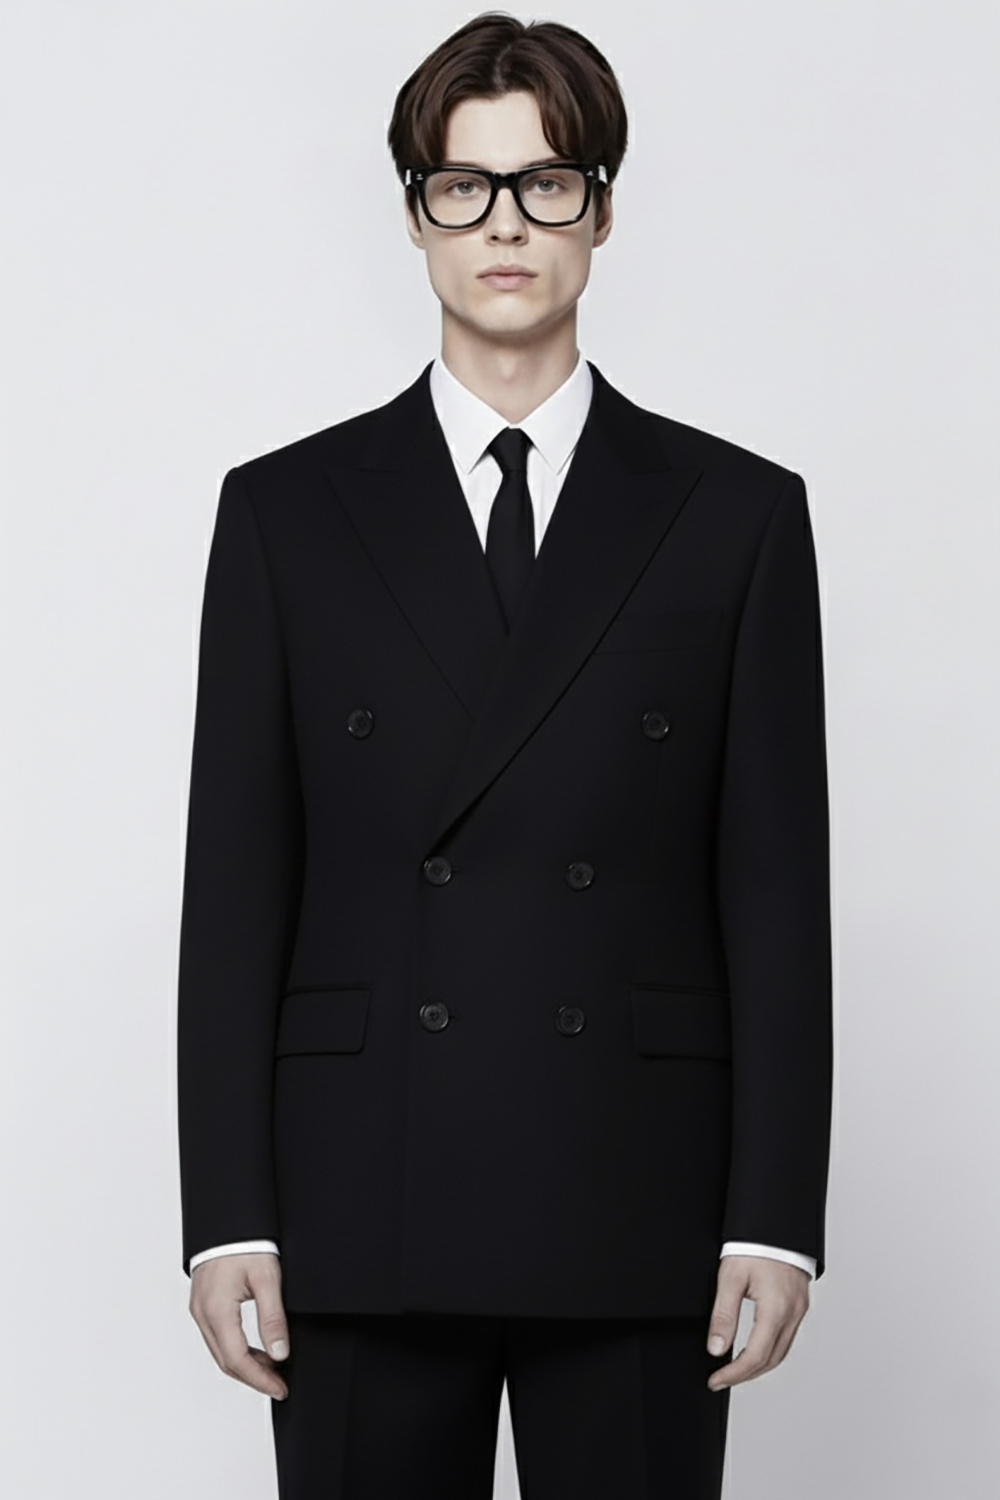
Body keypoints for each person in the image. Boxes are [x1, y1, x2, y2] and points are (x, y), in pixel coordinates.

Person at [177, 14, 833, 1498]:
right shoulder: (286, 511)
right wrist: (228, 1216)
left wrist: (773, 1218)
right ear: (415, 215)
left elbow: (776, 890)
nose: (505, 225)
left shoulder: (735, 513)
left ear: (601, 208)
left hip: (640, 1186)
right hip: (362, 1188)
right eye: (462, 186)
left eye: (546, 182)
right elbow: (238, 885)